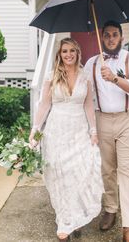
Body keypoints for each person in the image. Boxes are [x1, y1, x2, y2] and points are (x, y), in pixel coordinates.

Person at [29, 38, 103, 241]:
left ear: (78, 53)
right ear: (59, 55)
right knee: (59, 177)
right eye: (64, 51)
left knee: (79, 174)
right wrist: (35, 130)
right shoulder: (51, 76)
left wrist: (93, 131)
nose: (68, 54)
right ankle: (65, 221)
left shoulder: (85, 76)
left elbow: (88, 105)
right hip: (57, 132)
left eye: (72, 50)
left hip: (79, 131)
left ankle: (75, 216)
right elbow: (44, 105)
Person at [85, 20, 129, 242]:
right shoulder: (92, 63)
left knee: (128, 172)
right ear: (102, 38)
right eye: (107, 35)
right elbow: (83, 92)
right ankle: (111, 208)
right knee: (107, 170)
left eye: (115, 35)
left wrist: (114, 78)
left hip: (128, 119)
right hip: (102, 120)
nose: (111, 38)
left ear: (121, 37)